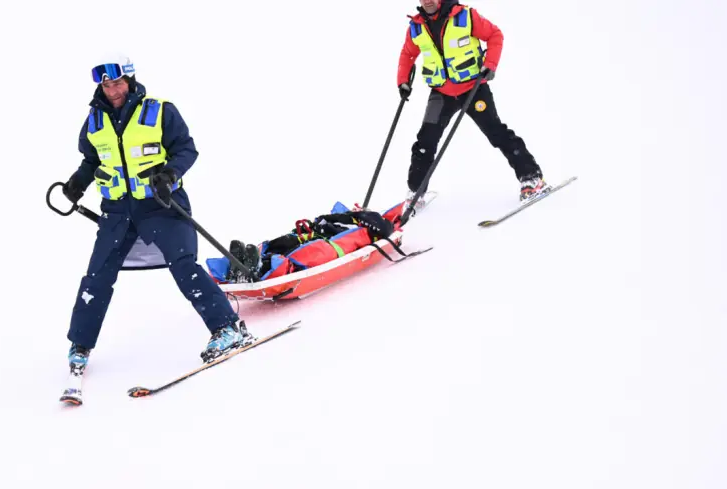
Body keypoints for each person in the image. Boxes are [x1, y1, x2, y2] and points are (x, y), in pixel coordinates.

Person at [60, 54, 250, 368]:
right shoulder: (94, 120)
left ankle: (227, 327)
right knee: (97, 276)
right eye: (107, 85)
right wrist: (77, 183)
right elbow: (92, 161)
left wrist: (170, 174)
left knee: (184, 264)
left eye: (118, 83)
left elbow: (186, 148)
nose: (113, 90)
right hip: (116, 212)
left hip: (161, 205)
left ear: (130, 80)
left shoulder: (159, 111)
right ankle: (80, 345)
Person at [398, 0, 549, 210]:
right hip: (441, 93)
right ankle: (416, 192)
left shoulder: (465, 16)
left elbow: (495, 35)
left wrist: (490, 64)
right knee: (425, 141)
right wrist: (403, 81)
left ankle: (531, 177)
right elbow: (408, 54)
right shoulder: (417, 26)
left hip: (473, 88)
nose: (427, 1)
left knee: (496, 132)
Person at [225, 209, 397, 283]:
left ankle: (261, 268)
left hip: (330, 245)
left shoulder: (369, 224)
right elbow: (323, 220)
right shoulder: (344, 216)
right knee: (285, 242)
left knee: (306, 254)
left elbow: (385, 228)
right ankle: (245, 265)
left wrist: (362, 216)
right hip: (314, 236)